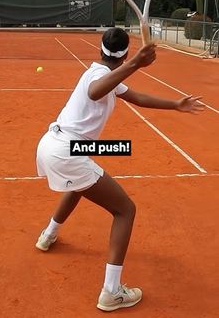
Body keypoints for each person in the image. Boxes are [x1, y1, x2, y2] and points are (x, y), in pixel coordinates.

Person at [35, 27, 205, 312]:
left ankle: (48, 235)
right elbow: (95, 91)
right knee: (125, 209)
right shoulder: (99, 78)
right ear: (125, 53)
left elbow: (137, 97)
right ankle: (111, 292)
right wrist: (135, 63)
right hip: (68, 151)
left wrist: (176, 104)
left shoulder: (97, 71)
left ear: (99, 49)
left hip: (55, 143)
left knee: (83, 181)